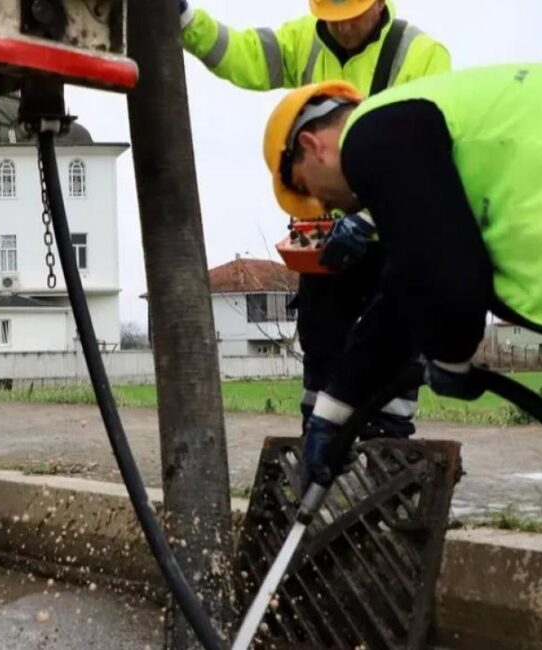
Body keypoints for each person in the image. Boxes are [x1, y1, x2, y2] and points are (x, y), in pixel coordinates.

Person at [261, 64, 542, 485]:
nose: (325, 207)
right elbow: (407, 292)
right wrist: (333, 412)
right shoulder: (421, 137)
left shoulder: (372, 134)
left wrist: (451, 355)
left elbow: (450, 283)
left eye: (310, 189)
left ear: (313, 145)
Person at [178, 0, 450, 438]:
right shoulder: (303, 39)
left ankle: (386, 442)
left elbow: (424, 156)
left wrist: (370, 219)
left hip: (395, 232)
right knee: (321, 338)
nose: (341, 25)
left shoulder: (420, 56)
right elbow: (242, 54)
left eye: (351, 13)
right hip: (326, 233)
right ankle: (319, 434)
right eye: (333, 14)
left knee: (393, 341)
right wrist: (186, 20)